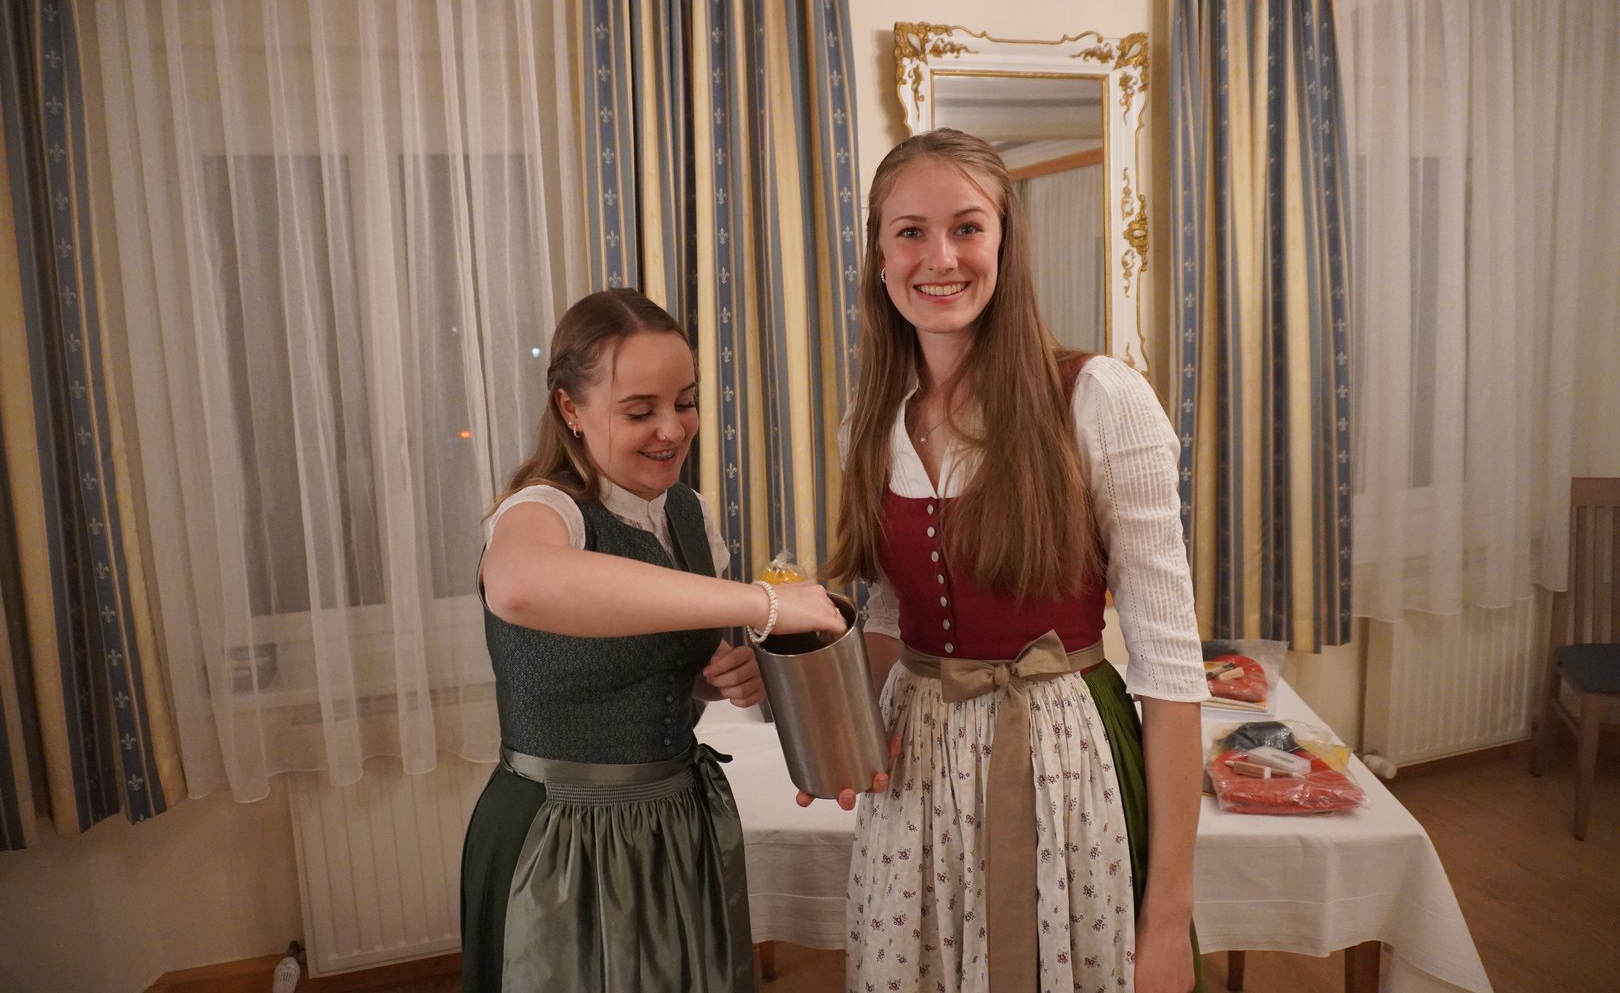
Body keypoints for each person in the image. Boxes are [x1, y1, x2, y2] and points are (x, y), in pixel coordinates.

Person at [818, 129, 1208, 993]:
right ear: (879, 257)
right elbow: (888, 613)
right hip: (918, 776)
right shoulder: (870, 422)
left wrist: (1167, 922)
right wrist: (841, 732)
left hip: (1063, 762)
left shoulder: (1098, 399)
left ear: (1005, 243)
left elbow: (1172, 669)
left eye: (967, 227)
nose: (940, 257)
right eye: (910, 232)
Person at [462, 287, 844, 993]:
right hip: (566, 840)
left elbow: (647, 658)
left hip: (677, 823)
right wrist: (762, 602)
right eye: (640, 412)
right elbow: (517, 584)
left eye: (685, 402)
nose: (672, 429)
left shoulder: (688, 514)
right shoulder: (543, 510)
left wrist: (710, 678)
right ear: (570, 410)